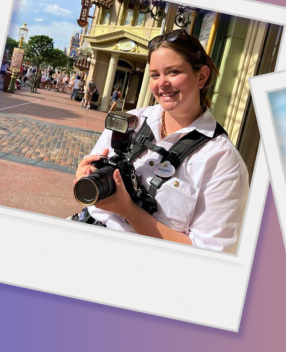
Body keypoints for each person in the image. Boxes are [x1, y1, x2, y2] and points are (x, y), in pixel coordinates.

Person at [74, 29, 250, 254]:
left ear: (202, 77)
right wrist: (86, 176)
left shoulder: (222, 160)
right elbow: (90, 187)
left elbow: (209, 254)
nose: (162, 83)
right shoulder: (131, 121)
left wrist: (130, 212)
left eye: (173, 72)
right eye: (155, 75)